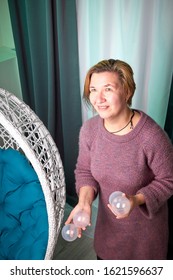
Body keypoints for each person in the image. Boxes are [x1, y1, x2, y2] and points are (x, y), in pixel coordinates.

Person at [65, 59, 173, 260]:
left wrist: (136, 199)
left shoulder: (151, 136)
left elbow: (168, 180)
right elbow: (85, 171)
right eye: (93, 89)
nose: (99, 98)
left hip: (144, 242)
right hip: (109, 235)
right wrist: (84, 202)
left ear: (127, 91)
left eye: (108, 89)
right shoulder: (89, 130)